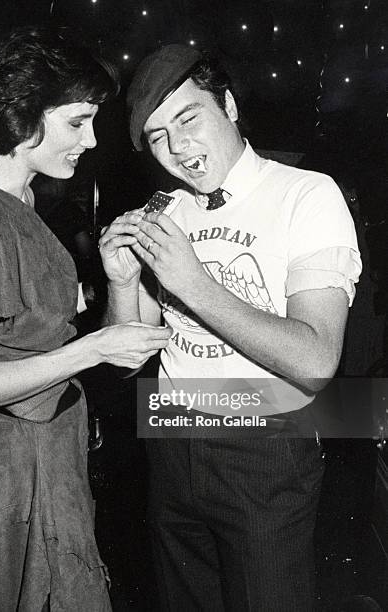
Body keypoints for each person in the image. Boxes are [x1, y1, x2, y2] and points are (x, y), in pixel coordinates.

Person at [99, 45, 362, 611]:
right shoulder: (164, 207)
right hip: (170, 440)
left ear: (230, 105)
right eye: (159, 135)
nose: (178, 148)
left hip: (264, 445)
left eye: (189, 118)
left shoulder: (307, 194)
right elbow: (128, 355)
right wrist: (123, 283)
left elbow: (317, 361)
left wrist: (193, 283)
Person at [0, 27, 171, 612]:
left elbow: (24, 316)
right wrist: (94, 349)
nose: (89, 141)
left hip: (51, 450)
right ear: (23, 113)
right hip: (19, 463)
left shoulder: (22, 202)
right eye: (77, 122)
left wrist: (110, 279)